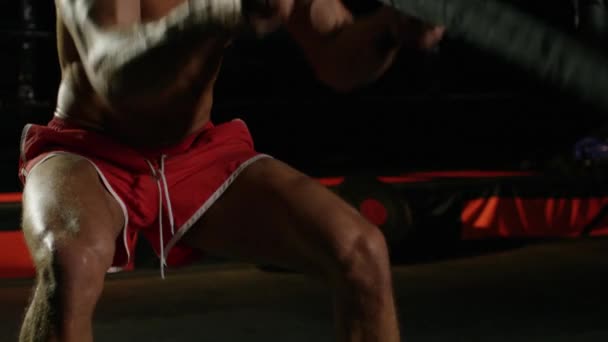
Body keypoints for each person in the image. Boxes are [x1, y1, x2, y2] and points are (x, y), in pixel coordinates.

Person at [18, 0, 444, 341]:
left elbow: (336, 59)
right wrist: (221, 12)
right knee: (69, 261)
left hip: (198, 152)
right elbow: (112, 71)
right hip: (90, 149)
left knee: (361, 251)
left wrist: (390, 30)